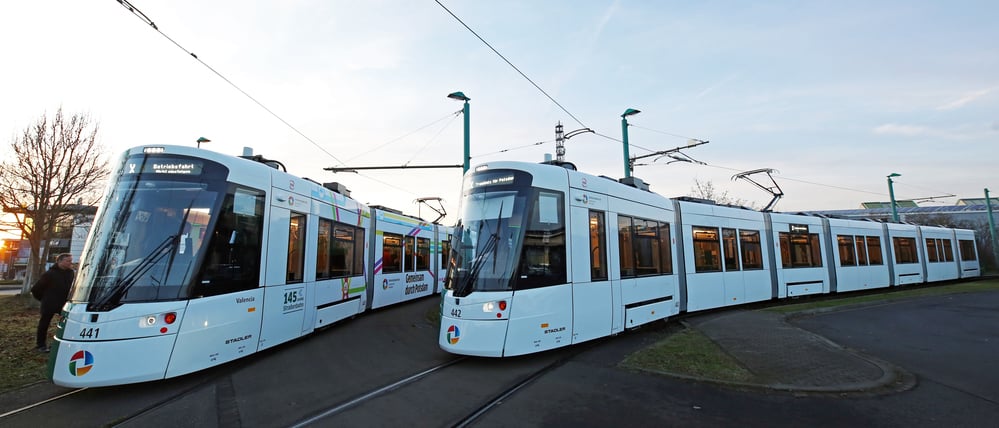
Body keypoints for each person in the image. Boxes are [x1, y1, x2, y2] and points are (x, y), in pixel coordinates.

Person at [30, 253, 75, 353]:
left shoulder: (71, 273)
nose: (70, 263)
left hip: (64, 305)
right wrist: (44, 299)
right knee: (44, 324)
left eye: (71, 260)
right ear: (59, 261)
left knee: (69, 323)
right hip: (49, 304)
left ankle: (66, 343)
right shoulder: (49, 274)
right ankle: (40, 345)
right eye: (67, 261)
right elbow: (35, 289)